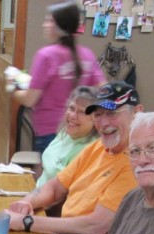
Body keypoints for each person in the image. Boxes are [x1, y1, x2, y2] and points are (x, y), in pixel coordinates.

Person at [6, 82, 141, 234]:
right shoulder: (99, 146)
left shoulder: (136, 164)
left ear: (137, 113)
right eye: (98, 115)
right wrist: (26, 202)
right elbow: (55, 187)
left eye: (112, 113)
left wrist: (26, 222)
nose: (103, 123)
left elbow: (94, 227)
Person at [12, 0, 105, 153]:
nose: (44, 25)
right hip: (81, 132)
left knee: (49, 174)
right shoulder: (87, 55)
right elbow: (103, 90)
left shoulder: (46, 56)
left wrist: (12, 88)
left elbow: (29, 99)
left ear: (59, 25)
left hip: (50, 132)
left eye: (49, 20)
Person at [34, 86, 99, 189]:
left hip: (51, 203)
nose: (73, 116)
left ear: (96, 119)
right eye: (71, 108)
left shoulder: (91, 150)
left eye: (82, 112)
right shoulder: (66, 133)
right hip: (36, 194)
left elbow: (66, 194)